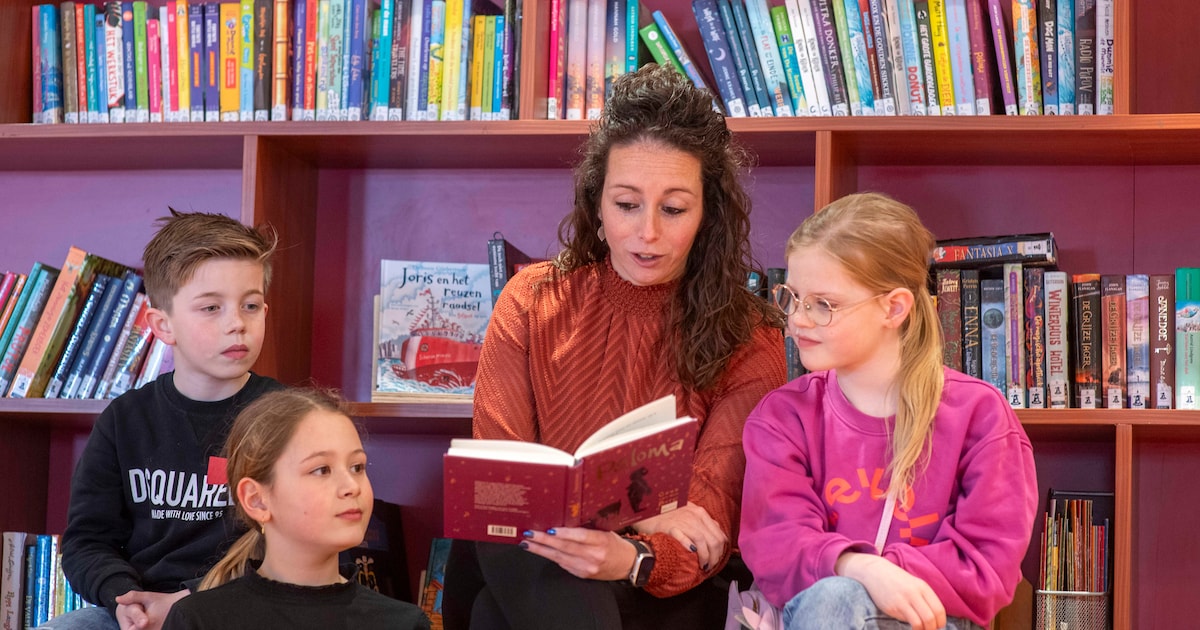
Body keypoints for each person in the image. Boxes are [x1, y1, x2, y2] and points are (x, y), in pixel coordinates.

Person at [442, 63, 787, 630]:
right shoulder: (532, 298)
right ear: (596, 207)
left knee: (493, 617)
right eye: (627, 204)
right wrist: (649, 516)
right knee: (534, 565)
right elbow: (503, 481)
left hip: (651, 584)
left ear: (707, 217)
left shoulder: (749, 333)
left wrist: (632, 555)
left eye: (673, 209)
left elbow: (708, 524)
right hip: (527, 553)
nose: (647, 232)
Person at [738, 193, 1039, 630]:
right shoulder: (783, 419)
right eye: (793, 296)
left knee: (838, 600)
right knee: (835, 601)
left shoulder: (979, 415)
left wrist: (882, 575)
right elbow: (776, 546)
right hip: (817, 614)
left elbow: (986, 564)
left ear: (894, 308)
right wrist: (862, 570)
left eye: (823, 304)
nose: (798, 320)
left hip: (932, 620)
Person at [46, 210, 286, 630]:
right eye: (211, 307)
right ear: (162, 325)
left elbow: (302, 544)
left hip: (249, 607)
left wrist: (187, 601)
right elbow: (87, 541)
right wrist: (124, 598)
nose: (237, 324)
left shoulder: (290, 419)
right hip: (136, 608)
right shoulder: (123, 420)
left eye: (250, 306)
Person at [160, 388, 431, 630]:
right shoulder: (199, 620)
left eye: (357, 467)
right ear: (257, 500)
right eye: (321, 470)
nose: (352, 486)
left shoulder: (404, 623)